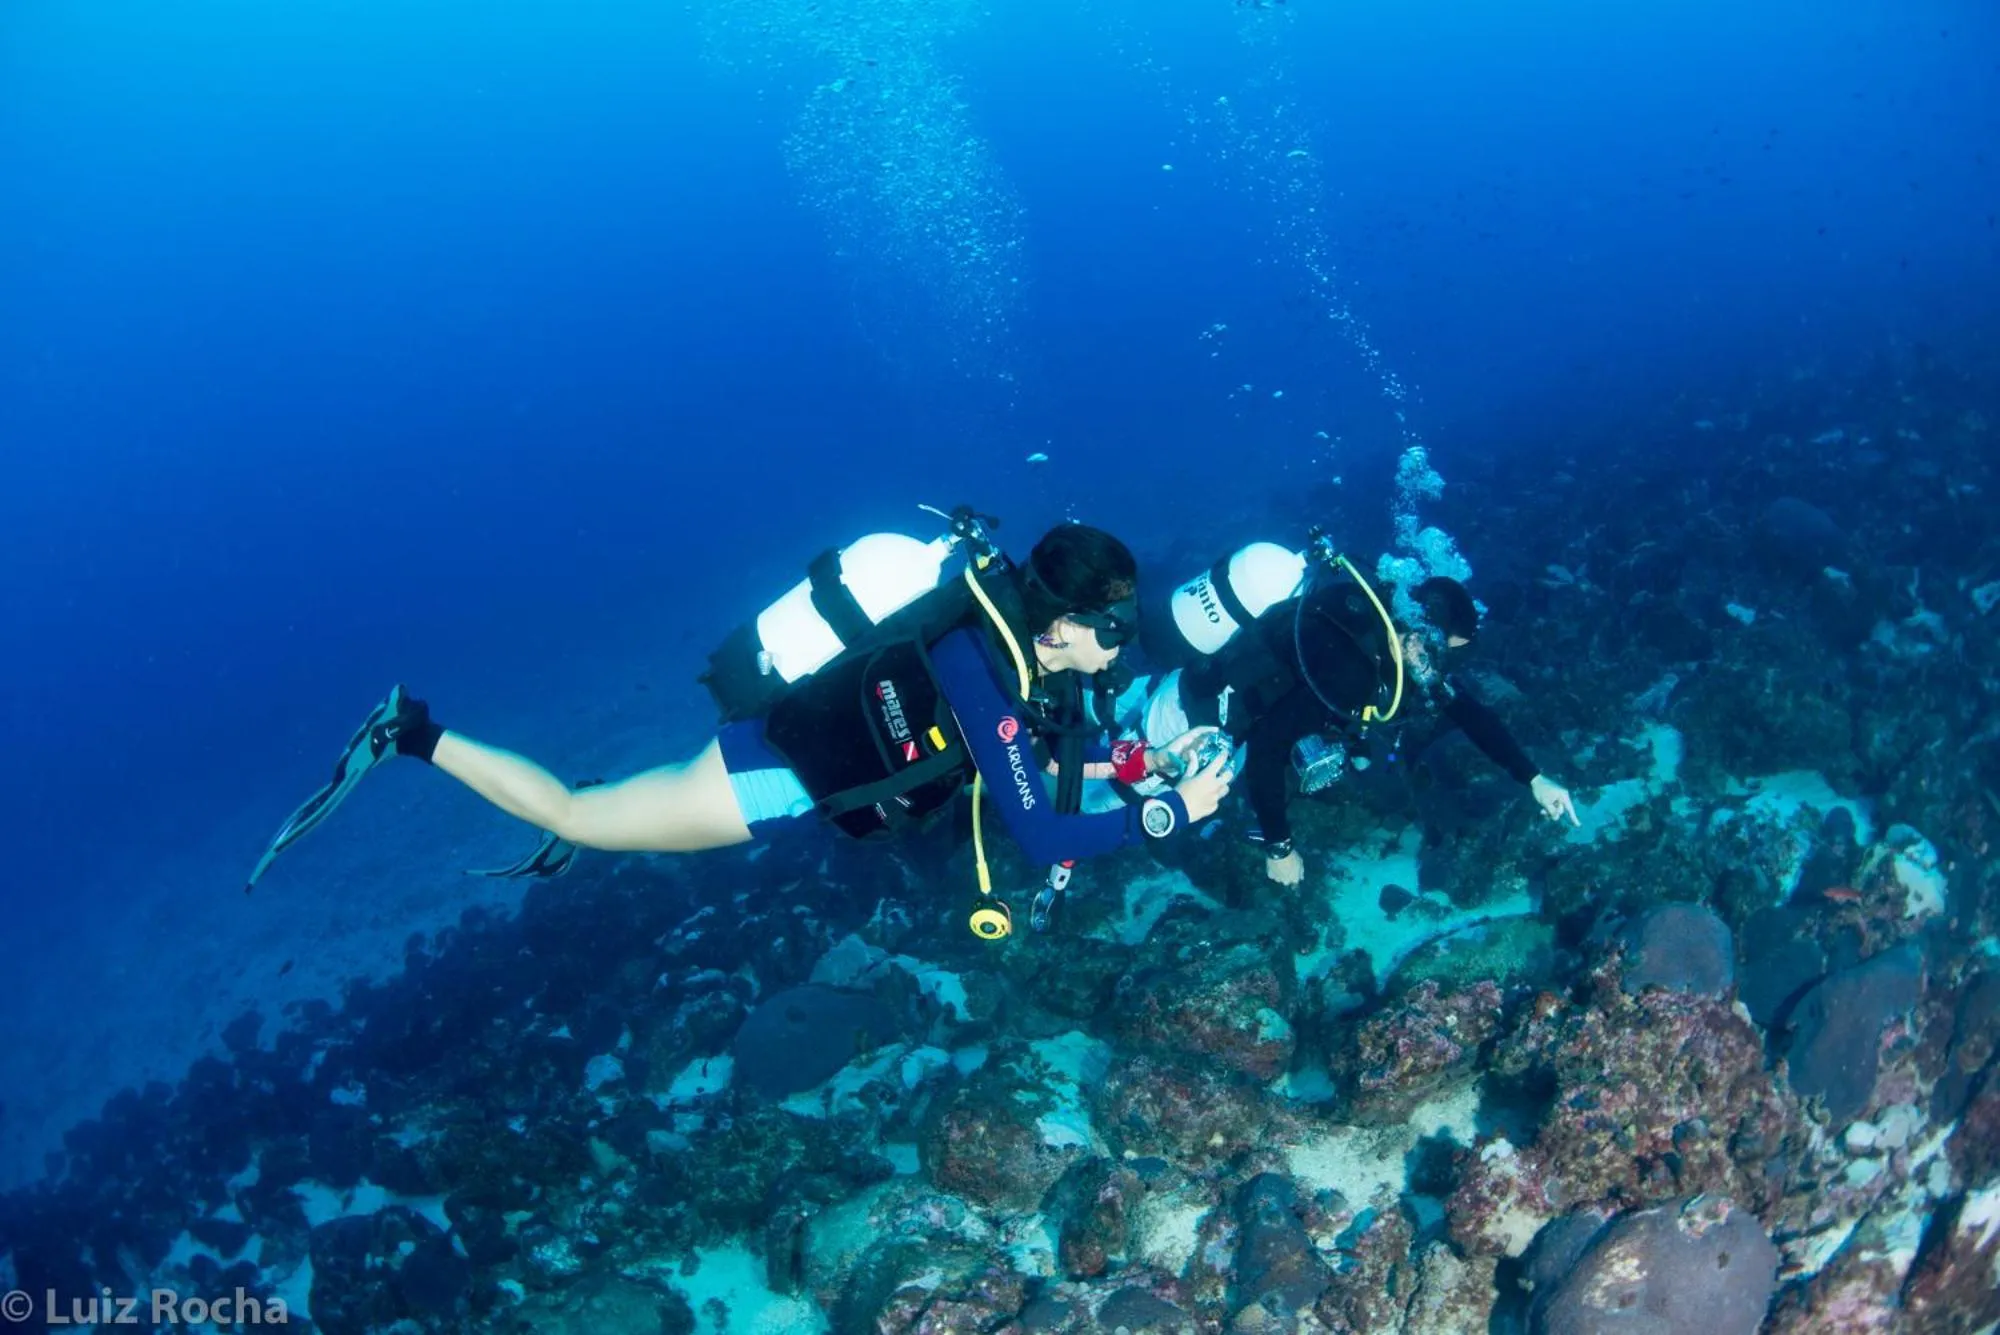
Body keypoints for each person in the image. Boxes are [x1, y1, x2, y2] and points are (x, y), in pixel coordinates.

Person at [246, 517, 1233, 935]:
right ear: (1061, 623)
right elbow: (1042, 830)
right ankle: (406, 732)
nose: (1121, 644)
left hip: (792, 769)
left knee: (613, 813)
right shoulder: (976, 662)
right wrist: (1170, 813)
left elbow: (1046, 752)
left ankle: (579, 813)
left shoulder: (1019, 658)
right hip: (776, 777)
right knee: (584, 817)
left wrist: (1131, 759)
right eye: (1113, 629)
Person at [1109, 540, 1578, 887]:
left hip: (1197, 696)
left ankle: (1114, 709)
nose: (1440, 667)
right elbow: (1271, 748)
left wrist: (1534, 778)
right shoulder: (1355, 669)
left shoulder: (1375, 627)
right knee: (1112, 807)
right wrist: (1280, 848)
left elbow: (1469, 712)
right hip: (1185, 732)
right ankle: (1062, 791)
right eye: (1448, 651)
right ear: (1428, 634)